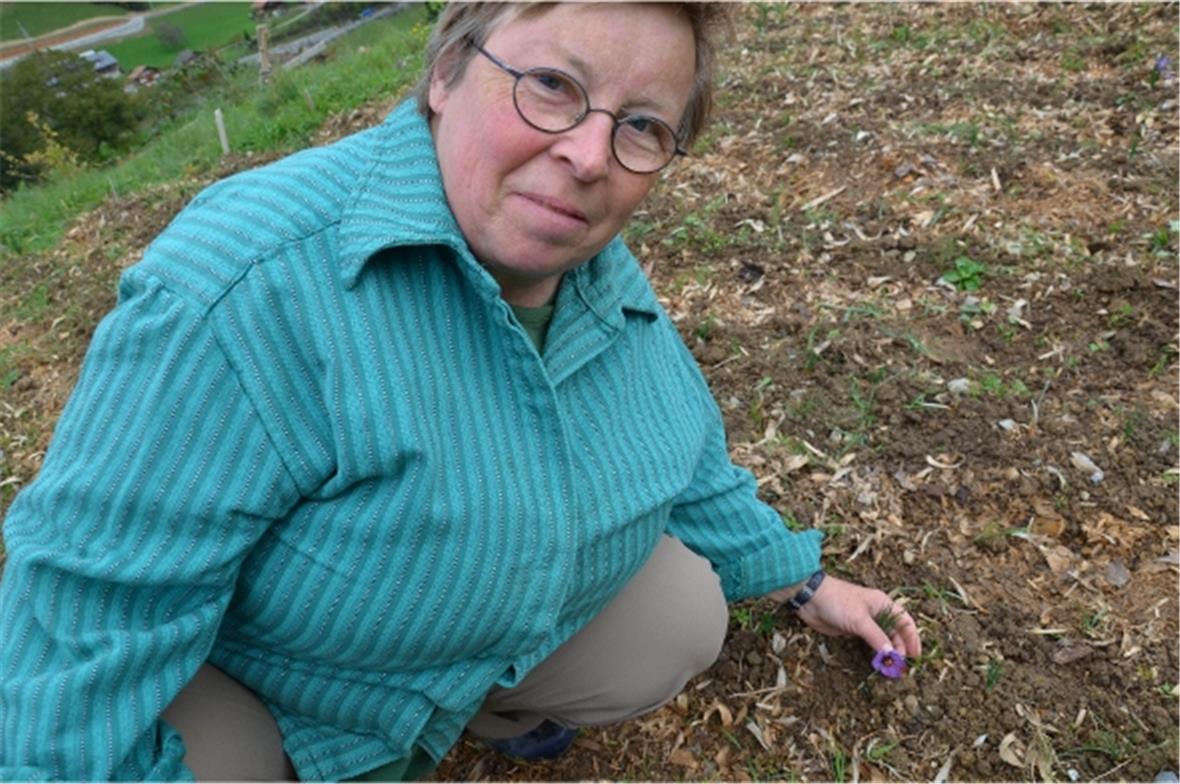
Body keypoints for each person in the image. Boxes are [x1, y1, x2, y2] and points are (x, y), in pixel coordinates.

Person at [0, 3, 921, 781]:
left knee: (679, 611)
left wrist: (806, 583)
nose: (591, 155)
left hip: (452, 634)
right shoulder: (241, 288)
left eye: (641, 125)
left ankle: (473, 706)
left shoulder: (585, 259)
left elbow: (677, 444)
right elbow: (87, 609)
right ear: (446, 72)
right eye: (554, 86)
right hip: (261, 679)